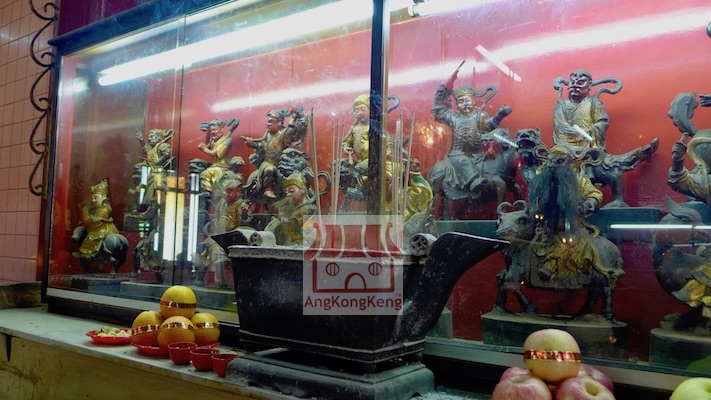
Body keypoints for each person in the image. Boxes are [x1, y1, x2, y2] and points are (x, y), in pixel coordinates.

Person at [428, 68, 512, 210]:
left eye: (467, 100)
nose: (465, 104)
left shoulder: (480, 115)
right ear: (457, 105)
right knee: (463, 160)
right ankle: (474, 181)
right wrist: (442, 91)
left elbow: (489, 126)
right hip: (457, 154)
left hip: (479, 155)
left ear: (473, 102)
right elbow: (438, 111)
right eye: (461, 102)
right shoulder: (453, 117)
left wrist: (499, 115)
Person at [242, 106, 307, 200]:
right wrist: (252, 145)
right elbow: (262, 147)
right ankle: (268, 189)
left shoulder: (284, 134)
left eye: (270, 121)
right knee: (270, 169)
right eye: (267, 122)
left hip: (281, 166)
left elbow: (299, 128)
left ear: (279, 122)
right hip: (267, 164)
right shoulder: (267, 135)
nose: (267, 124)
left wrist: (297, 114)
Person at [552, 69, 609, 156]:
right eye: (572, 82)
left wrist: (590, 131)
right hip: (566, 146)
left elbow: (603, 122)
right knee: (556, 155)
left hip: (589, 144)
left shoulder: (594, 103)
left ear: (589, 85)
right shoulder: (561, 105)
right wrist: (577, 134)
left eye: (580, 83)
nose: (575, 85)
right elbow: (561, 127)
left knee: (595, 155)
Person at [265, 171, 316, 246]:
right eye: (287, 192)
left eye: (291, 191)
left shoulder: (307, 210)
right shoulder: (292, 209)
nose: (288, 194)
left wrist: (283, 218)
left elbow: (291, 228)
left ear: (303, 190)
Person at [72, 179, 119, 259]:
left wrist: (86, 213)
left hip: (103, 228)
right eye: (93, 198)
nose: (94, 200)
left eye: (96, 198)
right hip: (96, 227)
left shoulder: (106, 208)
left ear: (104, 197)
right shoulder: (96, 208)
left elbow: (94, 220)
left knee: (92, 236)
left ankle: (91, 253)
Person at [197, 119, 233, 193]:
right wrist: (206, 134)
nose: (212, 132)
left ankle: (216, 194)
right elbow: (207, 147)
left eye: (214, 130)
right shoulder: (213, 140)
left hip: (223, 167)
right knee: (202, 172)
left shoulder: (227, 140)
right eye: (211, 131)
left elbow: (217, 154)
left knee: (213, 177)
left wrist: (204, 149)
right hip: (214, 165)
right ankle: (208, 194)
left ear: (222, 129)